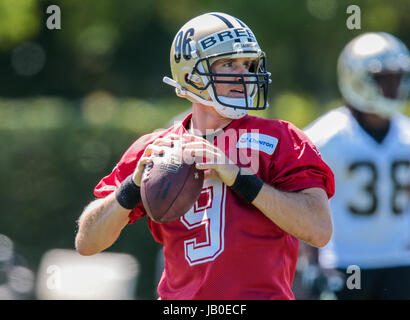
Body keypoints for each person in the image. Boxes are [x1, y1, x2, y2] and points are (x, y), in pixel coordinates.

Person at [75, 12, 335, 300]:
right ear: (190, 76)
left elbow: (319, 229)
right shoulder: (156, 148)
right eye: (228, 64)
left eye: (248, 64)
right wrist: (132, 188)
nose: (244, 75)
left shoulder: (282, 139)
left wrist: (239, 177)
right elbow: (87, 242)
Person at [304, 32, 410, 299]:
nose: (393, 87)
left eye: (396, 79)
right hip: (345, 261)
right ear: (357, 78)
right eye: (383, 79)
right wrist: (312, 262)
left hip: (401, 259)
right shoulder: (327, 136)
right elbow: (304, 202)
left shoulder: (406, 133)